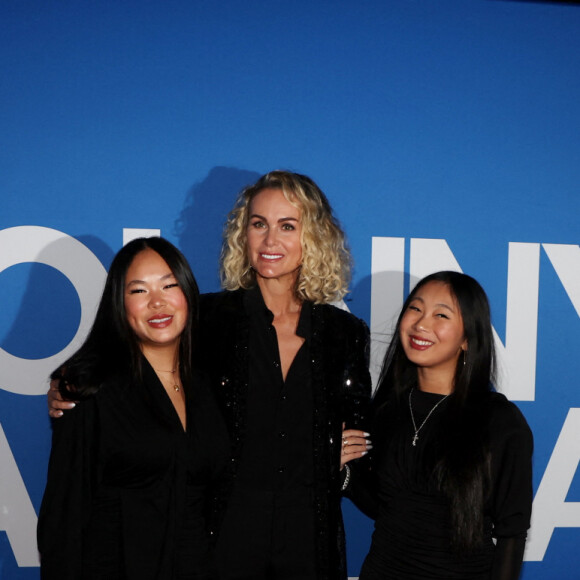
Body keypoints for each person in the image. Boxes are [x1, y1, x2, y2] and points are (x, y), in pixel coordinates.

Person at [48, 171, 372, 580]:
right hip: (218, 546)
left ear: (314, 237)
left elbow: (363, 443)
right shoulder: (207, 320)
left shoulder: (344, 335)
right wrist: (69, 385)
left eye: (287, 225)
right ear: (243, 234)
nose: (271, 240)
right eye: (259, 224)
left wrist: (340, 469)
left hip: (309, 545)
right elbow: (135, 356)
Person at [38, 237, 228, 580]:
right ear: (119, 305)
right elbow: (63, 519)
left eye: (169, 285)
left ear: (188, 294)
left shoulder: (210, 384)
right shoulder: (88, 389)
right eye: (139, 291)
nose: (158, 302)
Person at [345, 271, 533, 580]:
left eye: (441, 315)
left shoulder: (500, 422)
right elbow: (389, 507)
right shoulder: (386, 410)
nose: (421, 324)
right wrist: (345, 474)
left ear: (467, 340)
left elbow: (512, 535)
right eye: (415, 308)